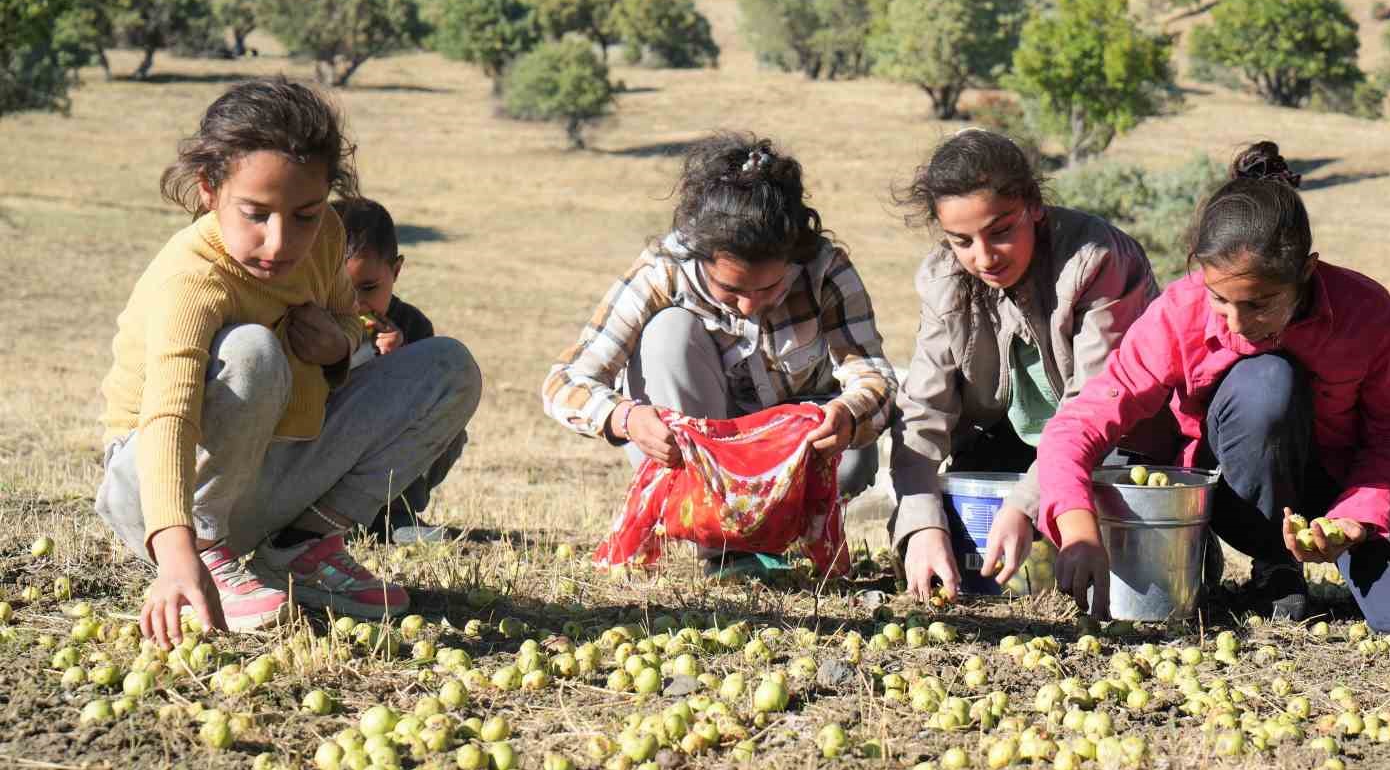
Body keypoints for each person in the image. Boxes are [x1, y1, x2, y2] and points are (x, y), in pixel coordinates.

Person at [1037, 141, 1390, 640]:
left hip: (1348, 485)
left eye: (1261, 305)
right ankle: (1276, 567)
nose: (1238, 324)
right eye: (1220, 301)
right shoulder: (1179, 313)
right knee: (1266, 382)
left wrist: (1354, 519)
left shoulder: (1365, 310)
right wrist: (1076, 530)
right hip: (1241, 495)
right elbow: (1076, 426)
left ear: (1306, 272)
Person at [96, 77, 482, 648]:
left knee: (448, 367)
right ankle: (208, 554)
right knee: (250, 350)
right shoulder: (192, 277)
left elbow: (348, 324)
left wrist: (338, 346)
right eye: (255, 213)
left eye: (303, 214)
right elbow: (168, 418)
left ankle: (301, 548)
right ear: (209, 189)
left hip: (268, 474)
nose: (279, 242)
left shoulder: (327, 236)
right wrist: (177, 556)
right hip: (160, 492)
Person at [542, 132, 898, 574]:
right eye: (730, 289)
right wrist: (626, 418)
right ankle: (721, 547)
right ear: (700, 255)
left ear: (792, 257)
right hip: (701, 458)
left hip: (797, 458)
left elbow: (874, 376)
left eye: (769, 287)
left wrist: (850, 413)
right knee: (669, 331)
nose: (750, 305)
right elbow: (563, 383)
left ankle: (773, 536)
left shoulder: (826, 271)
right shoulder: (664, 270)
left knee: (852, 463)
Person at [889, 129, 1174, 601]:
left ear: (1034, 205)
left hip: (1111, 448)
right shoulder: (943, 280)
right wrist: (920, 524)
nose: (983, 257)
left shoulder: (1096, 260)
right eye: (961, 240)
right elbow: (922, 414)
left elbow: (1097, 406)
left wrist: (1026, 504)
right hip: (1006, 451)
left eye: (1001, 231)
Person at [331, 196, 469, 545]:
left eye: (369, 288)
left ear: (396, 271)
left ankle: (395, 514)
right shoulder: (316, 322)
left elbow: (427, 401)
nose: (355, 303)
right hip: (330, 448)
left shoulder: (412, 325)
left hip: (388, 452)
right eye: (341, 289)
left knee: (452, 431)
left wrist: (397, 360)